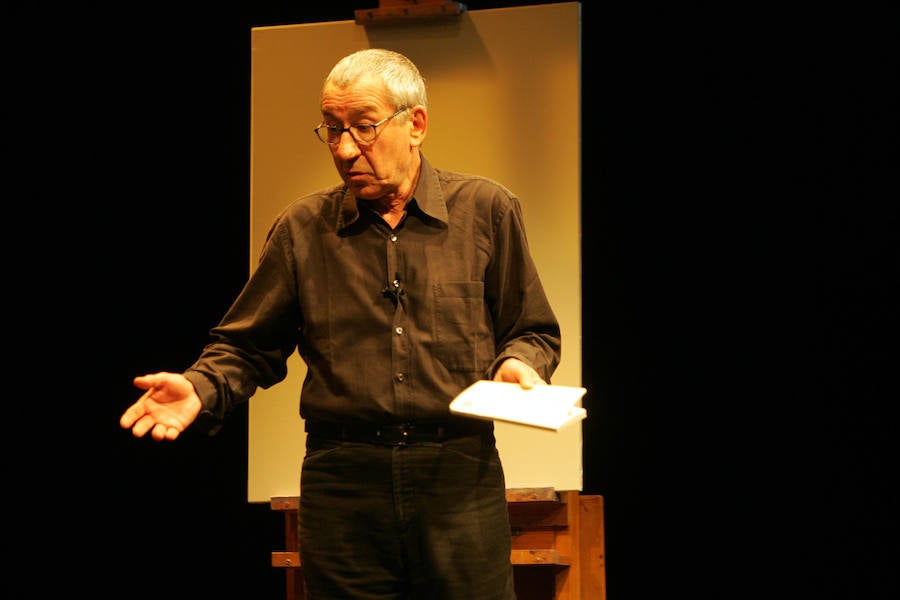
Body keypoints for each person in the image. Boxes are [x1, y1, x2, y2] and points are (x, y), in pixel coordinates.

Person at [119, 47, 561, 600]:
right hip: (343, 483)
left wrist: (518, 362)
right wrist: (200, 386)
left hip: (457, 476)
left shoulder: (487, 210)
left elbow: (533, 329)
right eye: (332, 130)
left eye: (364, 128)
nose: (346, 149)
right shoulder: (304, 227)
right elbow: (249, 345)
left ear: (415, 124)